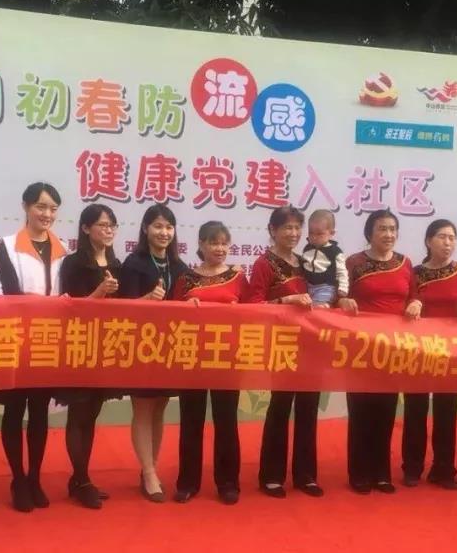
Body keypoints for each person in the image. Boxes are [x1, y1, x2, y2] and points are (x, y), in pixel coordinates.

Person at [0, 182, 68, 512]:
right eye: (41, 206)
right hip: (16, 337)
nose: (47, 214)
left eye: (52, 208)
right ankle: (17, 479)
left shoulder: (63, 248)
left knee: (39, 411)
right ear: (26, 207)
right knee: (14, 410)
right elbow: (10, 292)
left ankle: (35, 477)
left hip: (47, 340)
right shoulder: (8, 246)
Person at [339, 209, 421, 495]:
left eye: (392, 229)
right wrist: (343, 301)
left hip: (393, 348)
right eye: (382, 229)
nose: (388, 234)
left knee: (386, 410)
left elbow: (414, 294)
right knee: (361, 410)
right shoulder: (354, 262)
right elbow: (339, 295)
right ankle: (359, 473)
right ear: (369, 233)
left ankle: (382, 472)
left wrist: (416, 303)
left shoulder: (405, 263)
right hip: (361, 348)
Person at [245, 206, 323, 499]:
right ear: (273, 230)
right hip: (282, 344)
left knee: (308, 408)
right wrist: (287, 300)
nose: (293, 233)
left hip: (311, 343)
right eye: (287, 228)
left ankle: (306, 475)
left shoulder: (306, 262)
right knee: (280, 407)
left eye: (297, 228)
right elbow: (254, 305)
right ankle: (271, 476)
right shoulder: (264, 263)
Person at [173, 221, 249, 505]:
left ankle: (228, 483)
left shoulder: (238, 277)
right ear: (201, 244)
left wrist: (238, 312)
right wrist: (184, 309)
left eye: (224, 243)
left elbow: (255, 312)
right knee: (190, 421)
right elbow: (169, 315)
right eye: (214, 243)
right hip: (192, 357)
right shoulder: (186, 278)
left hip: (227, 358)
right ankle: (187, 482)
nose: (220, 248)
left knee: (226, 421)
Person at [118, 203, 188, 503]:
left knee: (160, 408)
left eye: (169, 227)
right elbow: (120, 308)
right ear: (146, 228)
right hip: (141, 347)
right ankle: (148, 473)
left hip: (170, 347)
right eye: (158, 226)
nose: (164, 232)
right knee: (143, 408)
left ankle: (151, 468)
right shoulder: (133, 263)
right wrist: (147, 298)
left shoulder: (180, 267)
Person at [401, 219, 457, 490]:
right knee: (415, 410)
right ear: (428, 241)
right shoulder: (415, 273)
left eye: (452, 237)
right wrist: (413, 302)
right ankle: (412, 468)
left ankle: (444, 470)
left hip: (450, 352)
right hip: (419, 350)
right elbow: (405, 300)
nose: (448, 242)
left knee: (446, 411)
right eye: (442, 237)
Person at [56, 204, 122, 510]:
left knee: (92, 413)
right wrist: (99, 292)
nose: (108, 230)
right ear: (85, 228)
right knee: (78, 414)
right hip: (79, 344)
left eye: (112, 226)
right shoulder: (73, 263)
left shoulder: (115, 262)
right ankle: (82, 480)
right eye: (102, 225)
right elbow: (71, 306)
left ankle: (80, 478)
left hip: (105, 346)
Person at [301, 209, 348, 308]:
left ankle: (325, 306)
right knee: (305, 308)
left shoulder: (335, 252)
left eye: (319, 234)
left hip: (325, 287)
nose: (314, 237)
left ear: (331, 233)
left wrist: (343, 288)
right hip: (306, 286)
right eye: (311, 233)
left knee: (318, 308)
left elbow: (342, 272)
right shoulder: (307, 248)